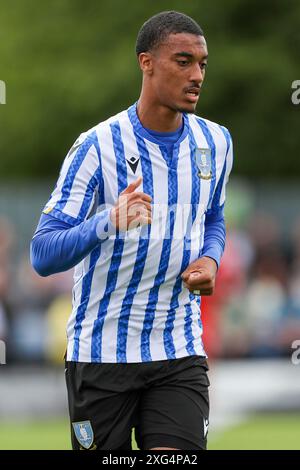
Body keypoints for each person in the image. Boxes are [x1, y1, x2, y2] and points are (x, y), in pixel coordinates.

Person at [30, 10, 233, 451]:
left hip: (178, 348)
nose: (197, 74)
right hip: (102, 353)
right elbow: (42, 254)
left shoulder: (215, 142)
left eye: (202, 64)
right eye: (183, 61)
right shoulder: (96, 146)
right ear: (146, 63)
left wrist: (211, 257)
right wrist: (108, 220)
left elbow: (214, 217)